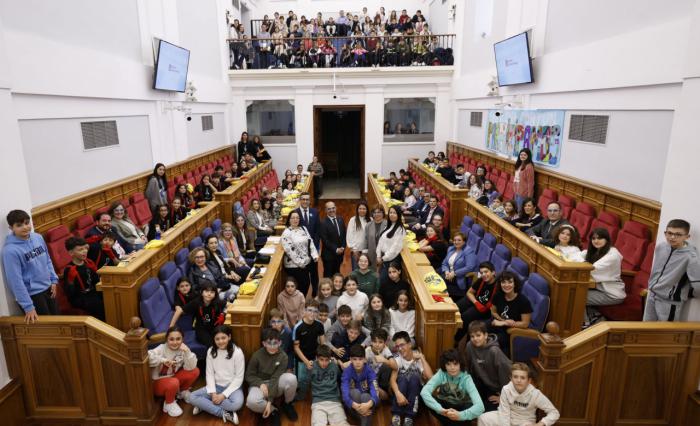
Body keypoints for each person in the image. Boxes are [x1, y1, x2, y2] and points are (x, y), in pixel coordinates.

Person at [2, 209, 59, 322]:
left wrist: (53, 280)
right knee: (47, 331)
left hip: (48, 288)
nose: (25, 227)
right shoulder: (10, 251)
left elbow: (47, 259)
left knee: (59, 321)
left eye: (27, 223)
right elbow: (15, 281)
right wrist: (28, 306)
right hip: (33, 295)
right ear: (11, 228)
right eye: (19, 225)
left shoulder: (38, 237)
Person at [644, 219, 700, 321]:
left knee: (664, 334)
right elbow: (656, 271)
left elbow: (697, 284)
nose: (672, 237)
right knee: (645, 330)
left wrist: (687, 293)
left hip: (669, 303)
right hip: (652, 295)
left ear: (687, 237)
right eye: (669, 233)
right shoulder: (661, 246)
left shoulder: (691, 256)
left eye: (678, 234)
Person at [189, 325, 245, 424]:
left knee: (237, 404)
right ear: (214, 339)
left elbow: (239, 378)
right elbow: (209, 374)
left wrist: (223, 395)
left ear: (229, 337)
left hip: (233, 387)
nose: (221, 341)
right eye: (217, 339)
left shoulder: (237, 352)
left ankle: (204, 405)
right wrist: (214, 393)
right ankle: (224, 413)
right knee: (192, 397)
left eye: (223, 338)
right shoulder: (211, 351)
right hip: (216, 386)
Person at [245, 328, 299, 426]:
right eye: (269, 343)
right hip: (259, 384)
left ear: (280, 343)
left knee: (292, 378)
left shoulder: (283, 356)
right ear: (264, 343)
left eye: (275, 343)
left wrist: (269, 401)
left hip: (275, 382)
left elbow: (275, 378)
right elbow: (249, 375)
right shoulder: (257, 355)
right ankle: (274, 411)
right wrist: (260, 384)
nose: (272, 346)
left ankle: (287, 403)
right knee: (251, 402)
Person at [477, 363, 560, 426]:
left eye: (522, 378)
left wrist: (540, 424)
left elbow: (554, 413)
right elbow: (504, 414)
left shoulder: (535, 394)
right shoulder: (506, 389)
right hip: (508, 418)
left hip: (525, 421)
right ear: (511, 378)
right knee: (483, 418)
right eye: (515, 377)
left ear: (529, 381)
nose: (518, 380)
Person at [421, 348, 485, 425]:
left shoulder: (467, 378)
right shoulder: (441, 373)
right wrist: (440, 410)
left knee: (470, 406)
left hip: (461, 408)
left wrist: (460, 415)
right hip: (445, 408)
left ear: (460, 364)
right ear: (444, 365)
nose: (452, 368)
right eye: (448, 364)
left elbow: (480, 407)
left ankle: (449, 422)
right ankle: (451, 422)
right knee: (423, 397)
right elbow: (424, 392)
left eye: (455, 364)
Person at [461, 321, 511, 413]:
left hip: (496, 389)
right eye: (472, 336)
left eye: (478, 335)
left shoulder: (494, 351)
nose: (475, 339)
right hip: (481, 383)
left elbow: (507, 374)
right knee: (464, 405)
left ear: (485, 335)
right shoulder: (469, 346)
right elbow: (467, 366)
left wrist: (503, 397)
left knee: (482, 411)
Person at [149, 326, 199, 417]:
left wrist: (187, 352)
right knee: (173, 382)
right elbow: (148, 357)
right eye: (171, 339)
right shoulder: (161, 348)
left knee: (195, 371)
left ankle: (182, 392)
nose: (175, 342)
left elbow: (191, 367)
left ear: (182, 339)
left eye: (178, 339)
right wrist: (162, 360)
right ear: (166, 339)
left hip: (172, 379)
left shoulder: (183, 349)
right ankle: (169, 403)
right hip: (157, 382)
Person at [581, 228, 626, 325]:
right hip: (599, 289)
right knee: (575, 290)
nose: (596, 241)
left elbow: (593, 268)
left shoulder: (613, 254)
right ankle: (594, 316)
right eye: (593, 238)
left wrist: (583, 262)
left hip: (612, 294)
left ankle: (585, 323)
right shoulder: (596, 251)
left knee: (578, 296)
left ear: (607, 239)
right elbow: (578, 255)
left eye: (599, 238)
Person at [389, 331, 434, 426]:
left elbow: (430, 377)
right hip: (400, 394)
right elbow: (392, 380)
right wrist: (397, 394)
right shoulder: (397, 358)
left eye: (402, 345)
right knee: (402, 378)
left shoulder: (417, 356)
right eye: (397, 346)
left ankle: (409, 417)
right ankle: (396, 415)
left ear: (409, 344)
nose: (400, 349)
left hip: (415, 396)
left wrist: (422, 358)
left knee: (414, 378)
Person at [169, 280, 226, 348]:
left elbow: (229, 305)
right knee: (212, 344)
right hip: (202, 329)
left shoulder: (217, 301)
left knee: (224, 339)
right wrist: (171, 327)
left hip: (214, 327)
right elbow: (179, 311)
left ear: (215, 294)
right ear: (201, 292)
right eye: (206, 291)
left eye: (212, 292)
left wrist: (223, 313)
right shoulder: (196, 302)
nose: (209, 294)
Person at [489, 271, 532, 357]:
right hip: (497, 323)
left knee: (489, 343)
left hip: (510, 331)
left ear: (515, 284)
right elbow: (493, 311)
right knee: (477, 329)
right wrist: (501, 320)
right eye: (503, 282)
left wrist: (505, 323)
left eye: (510, 282)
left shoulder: (523, 301)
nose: (506, 285)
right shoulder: (498, 295)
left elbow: (525, 324)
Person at [454, 261, 498, 344]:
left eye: (486, 272)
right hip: (476, 302)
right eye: (481, 273)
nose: (484, 275)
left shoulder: (498, 286)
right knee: (455, 308)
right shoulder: (481, 280)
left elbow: (496, 306)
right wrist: (475, 302)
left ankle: (455, 340)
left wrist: (483, 306)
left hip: (486, 310)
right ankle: (449, 331)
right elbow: (469, 292)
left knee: (465, 317)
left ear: (493, 272)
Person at [63, 237, 105, 320]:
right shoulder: (69, 269)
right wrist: (70, 281)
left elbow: (95, 282)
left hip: (92, 291)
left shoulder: (87, 262)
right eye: (80, 249)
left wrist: (95, 271)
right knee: (99, 305)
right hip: (80, 297)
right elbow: (70, 294)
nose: (85, 251)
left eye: (85, 248)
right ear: (71, 253)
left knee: (109, 296)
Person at [293, 300, 326, 401]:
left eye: (315, 311)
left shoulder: (319, 325)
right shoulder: (298, 327)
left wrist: (322, 358)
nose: (312, 313)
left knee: (314, 377)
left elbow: (322, 344)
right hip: (301, 359)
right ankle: (300, 395)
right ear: (304, 311)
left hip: (315, 357)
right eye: (310, 310)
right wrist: (306, 362)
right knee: (301, 380)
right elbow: (296, 347)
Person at [281, 211, 319, 298]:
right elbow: (290, 251)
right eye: (293, 218)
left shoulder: (303, 228)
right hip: (294, 265)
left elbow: (310, 242)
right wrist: (301, 263)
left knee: (306, 284)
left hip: (305, 262)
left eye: (297, 218)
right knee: (301, 285)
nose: (295, 220)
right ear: (289, 220)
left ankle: (301, 302)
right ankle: (297, 305)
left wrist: (314, 255)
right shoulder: (286, 232)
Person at [310, 344, 350, 426]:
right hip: (318, 402)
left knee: (342, 424)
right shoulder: (312, 366)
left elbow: (340, 378)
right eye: (321, 360)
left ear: (330, 359)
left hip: (334, 401)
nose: (324, 363)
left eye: (327, 360)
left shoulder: (334, 366)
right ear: (317, 358)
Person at [341, 344, 380, 426]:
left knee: (365, 396)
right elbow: (345, 394)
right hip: (353, 407)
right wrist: (355, 406)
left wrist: (368, 404)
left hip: (367, 405)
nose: (358, 362)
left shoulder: (369, 371)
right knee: (355, 392)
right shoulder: (347, 372)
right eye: (354, 359)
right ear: (350, 359)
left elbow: (375, 390)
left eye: (360, 359)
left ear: (365, 360)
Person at [441, 232, 477, 301]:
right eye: (455, 240)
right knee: (436, 279)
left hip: (459, 278)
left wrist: (454, 273)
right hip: (448, 274)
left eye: (459, 240)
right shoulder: (451, 249)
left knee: (439, 283)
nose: (456, 242)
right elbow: (444, 263)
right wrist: (446, 271)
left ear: (464, 241)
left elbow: (470, 267)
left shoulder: (468, 251)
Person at [377, 206, 406, 279]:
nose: (392, 214)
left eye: (394, 213)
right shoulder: (388, 226)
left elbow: (395, 249)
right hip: (382, 257)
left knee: (383, 281)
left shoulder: (400, 230)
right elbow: (380, 242)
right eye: (390, 212)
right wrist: (378, 256)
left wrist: (383, 258)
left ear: (398, 215)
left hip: (391, 260)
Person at [320, 201, 346, 277]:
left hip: (339, 255)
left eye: (333, 208)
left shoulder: (340, 219)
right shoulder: (323, 223)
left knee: (337, 275)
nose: (331, 210)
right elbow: (325, 240)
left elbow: (344, 235)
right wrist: (336, 249)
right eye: (329, 209)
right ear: (325, 210)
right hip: (328, 256)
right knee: (328, 276)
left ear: (336, 208)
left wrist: (343, 247)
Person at [362, 205, 387, 269]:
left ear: (383, 213)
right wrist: (364, 255)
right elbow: (366, 241)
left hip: (384, 256)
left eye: (379, 212)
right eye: (374, 212)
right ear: (372, 214)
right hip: (371, 256)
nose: (376, 214)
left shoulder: (387, 225)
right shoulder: (368, 225)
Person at [347, 201, 370, 270]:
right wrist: (354, 249)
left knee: (365, 270)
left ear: (367, 210)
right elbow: (349, 235)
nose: (362, 210)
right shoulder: (353, 220)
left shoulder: (370, 220)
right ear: (357, 210)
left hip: (366, 251)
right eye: (360, 208)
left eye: (364, 209)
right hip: (356, 251)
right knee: (356, 270)